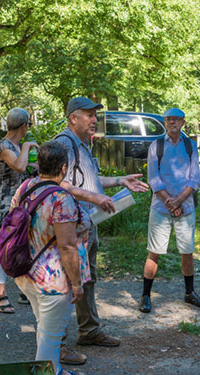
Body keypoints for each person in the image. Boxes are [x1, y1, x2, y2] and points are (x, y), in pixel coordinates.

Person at [54, 97, 149, 353]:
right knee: (66, 282)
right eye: (89, 115)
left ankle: (89, 331)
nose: (95, 119)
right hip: (68, 227)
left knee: (87, 279)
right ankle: (57, 346)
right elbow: (55, 183)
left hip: (88, 224)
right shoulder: (62, 144)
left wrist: (121, 180)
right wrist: (93, 197)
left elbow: (90, 181)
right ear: (73, 117)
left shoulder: (83, 145)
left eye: (95, 115)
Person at [12, 141, 91, 375]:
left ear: (38, 165)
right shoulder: (61, 198)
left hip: (26, 273)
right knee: (50, 337)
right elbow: (67, 246)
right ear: (64, 168)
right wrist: (77, 284)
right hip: (53, 280)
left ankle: (54, 372)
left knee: (45, 328)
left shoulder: (25, 188)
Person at [139, 108, 200, 313]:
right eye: (168, 119)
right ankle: (145, 295)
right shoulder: (156, 145)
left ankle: (189, 293)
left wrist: (179, 201)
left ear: (183, 122)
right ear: (164, 122)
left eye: (176, 120)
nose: (172, 123)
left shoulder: (190, 146)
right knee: (154, 252)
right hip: (161, 207)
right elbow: (153, 178)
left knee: (187, 251)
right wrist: (170, 202)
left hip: (184, 207)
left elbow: (194, 178)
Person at [0, 107, 38, 314]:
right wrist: (27, 147)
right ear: (24, 126)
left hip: (20, 204)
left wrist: (35, 166)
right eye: (29, 125)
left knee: (24, 244)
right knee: (5, 245)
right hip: (4, 204)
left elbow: (23, 168)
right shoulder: (4, 146)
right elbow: (18, 166)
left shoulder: (16, 147)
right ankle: (1, 294)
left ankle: (24, 290)